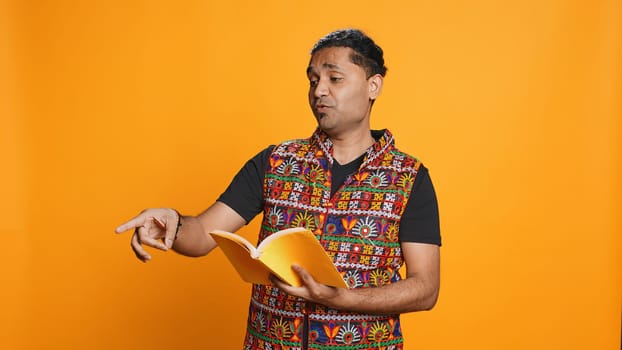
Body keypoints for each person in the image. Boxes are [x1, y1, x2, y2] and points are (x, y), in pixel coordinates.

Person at [116, 28, 441, 349]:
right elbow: (201, 235)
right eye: (313, 80)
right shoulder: (274, 162)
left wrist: (342, 298)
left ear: (373, 86)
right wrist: (171, 223)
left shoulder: (409, 177)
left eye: (334, 79)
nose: (319, 91)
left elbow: (425, 289)